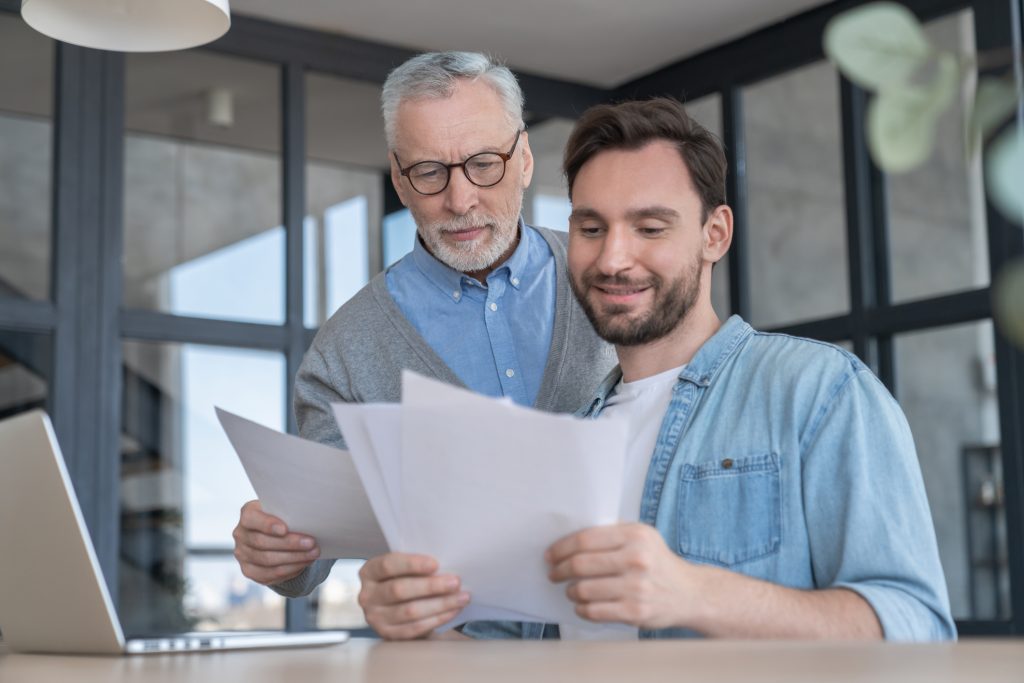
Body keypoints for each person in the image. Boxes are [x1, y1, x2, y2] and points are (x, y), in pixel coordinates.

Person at [356, 97, 956, 641]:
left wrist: (695, 594)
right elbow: (512, 652)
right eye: (591, 229)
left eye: (649, 227)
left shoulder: (818, 392)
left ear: (714, 234)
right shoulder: (568, 437)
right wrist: (419, 624)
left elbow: (918, 631)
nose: (614, 258)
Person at [230, 52, 614, 599]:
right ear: (400, 180)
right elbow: (309, 551)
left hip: (621, 645)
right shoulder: (345, 350)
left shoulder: (610, 280)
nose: (460, 201)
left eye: (484, 163)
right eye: (429, 172)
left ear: (525, 157)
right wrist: (276, 549)